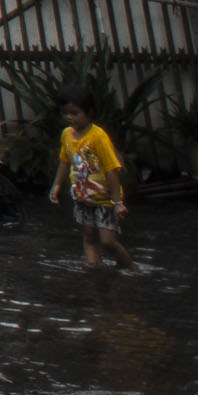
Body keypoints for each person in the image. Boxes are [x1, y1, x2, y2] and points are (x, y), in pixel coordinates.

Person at [56, 92, 132, 270]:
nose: (69, 117)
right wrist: (57, 185)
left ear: (89, 113)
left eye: (75, 113)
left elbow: (112, 169)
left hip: (105, 199)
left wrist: (117, 202)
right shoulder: (66, 135)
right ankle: (94, 270)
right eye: (66, 113)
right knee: (89, 235)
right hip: (83, 197)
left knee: (107, 241)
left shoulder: (98, 137)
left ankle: (129, 268)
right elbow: (64, 161)